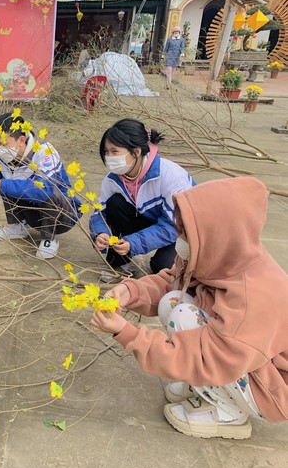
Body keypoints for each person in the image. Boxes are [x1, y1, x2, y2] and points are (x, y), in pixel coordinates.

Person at [91, 177, 288, 440]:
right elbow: (172, 281)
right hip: (239, 357)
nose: (179, 240)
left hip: (271, 390)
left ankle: (229, 414)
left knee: (183, 316)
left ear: (217, 233)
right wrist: (130, 291)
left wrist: (128, 333)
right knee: (173, 301)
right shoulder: (221, 254)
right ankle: (207, 388)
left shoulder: (253, 297)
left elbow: (208, 356)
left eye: (185, 233)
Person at [90, 119, 194, 278]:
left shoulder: (171, 176)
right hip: (151, 219)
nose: (108, 157)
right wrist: (100, 233)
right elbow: (100, 213)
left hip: (183, 229)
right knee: (115, 203)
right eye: (106, 151)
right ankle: (120, 261)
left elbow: (174, 226)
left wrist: (135, 243)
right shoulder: (112, 180)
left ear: (136, 152)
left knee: (164, 267)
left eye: (114, 151)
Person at [0, 112, 82, 260]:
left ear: (22, 140)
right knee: (4, 181)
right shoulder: (2, 156)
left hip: (63, 215)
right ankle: (17, 227)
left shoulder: (45, 152)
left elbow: (43, 190)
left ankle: (49, 238)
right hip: (32, 213)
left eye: (3, 144)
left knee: (40, 188)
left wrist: (0, 183)